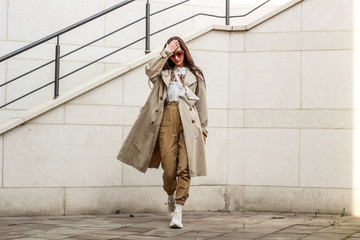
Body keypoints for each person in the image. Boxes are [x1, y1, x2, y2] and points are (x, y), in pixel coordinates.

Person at [117, 36, 208, 229]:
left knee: (185, 167)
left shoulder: (196, 75)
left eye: (179, 53)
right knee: (169, 168)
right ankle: (170, 195)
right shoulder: (163, 72)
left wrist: (204, 130)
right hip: (167, 117)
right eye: (173, 54)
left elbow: (202, 104)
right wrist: (165, 51)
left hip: (190, 122)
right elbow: (149, 70)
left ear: (185, 51)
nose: (176, 58)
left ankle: (178, 213)